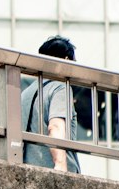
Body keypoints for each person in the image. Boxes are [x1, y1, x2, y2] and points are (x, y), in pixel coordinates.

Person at [20, 36, 81, 173]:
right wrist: (60, 165)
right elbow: (55, 126)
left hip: (28, 170)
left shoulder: (26, 93)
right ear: (66, 61)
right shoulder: (59, 88)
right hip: (52, 172)